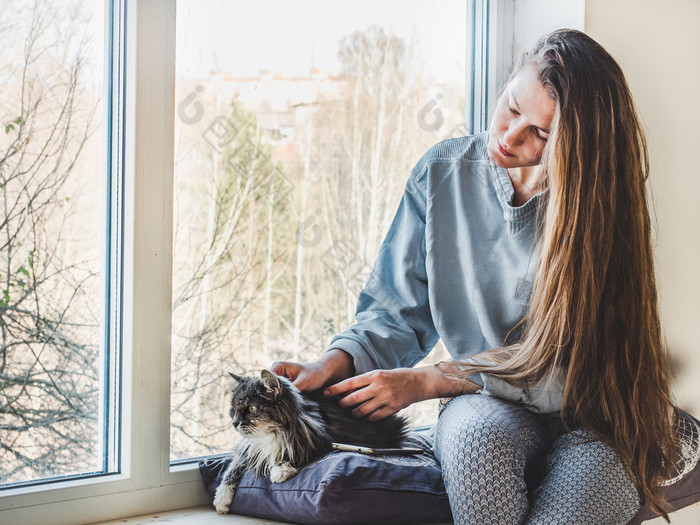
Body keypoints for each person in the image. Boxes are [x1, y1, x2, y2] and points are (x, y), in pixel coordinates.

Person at [272, 29, 679, 524]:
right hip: (482, 404)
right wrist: (333, 363)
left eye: (543, 134)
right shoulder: (440, 174)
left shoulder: (603, 208)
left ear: (583, 149)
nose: (510, 137)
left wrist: (429, 380)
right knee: (476, 440)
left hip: (599, 416)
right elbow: (396, 312)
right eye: (511, 107)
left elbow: (566, 365)